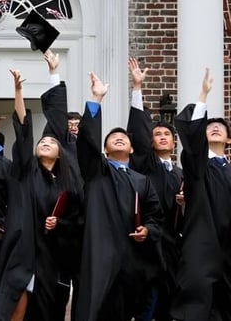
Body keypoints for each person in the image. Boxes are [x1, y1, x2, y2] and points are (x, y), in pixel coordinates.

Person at [0, 64, 83, 321]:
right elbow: (22, 132)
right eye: (43, 140)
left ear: (61, 153)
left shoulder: (66, 182)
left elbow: (76, 220)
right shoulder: (24, 172)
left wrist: (59, 223)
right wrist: (18, 92)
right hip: (23, 248)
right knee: (14, 306)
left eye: (52, 142)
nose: (46, 142)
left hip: (51, 256)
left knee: (47, 309)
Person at [74, 72, 164, 321]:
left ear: (132, 148)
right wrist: (96, 98)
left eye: (123, 137)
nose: (119, 138)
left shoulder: (142, 181)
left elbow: (155, 216)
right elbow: (86, 144)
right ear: (104, 149)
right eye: (113, 138)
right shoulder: (97, 171)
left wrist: (147, 230)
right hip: (100, 256)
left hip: (131, 260)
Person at [124, 58, 183, 321]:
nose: (161, 136)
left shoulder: (182, 175)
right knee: (147, 305)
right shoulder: (146, 165)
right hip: (149, 245)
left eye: (166, 134)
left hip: (175, 249)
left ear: (173, 142)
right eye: (156, 133)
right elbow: (137, 132)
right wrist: (137, 89)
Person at [171, 68, 231, 320]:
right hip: (202, 247)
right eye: (210, 127)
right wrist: (203, 95)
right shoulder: (198, 166)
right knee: (196, 308)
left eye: (220, 127)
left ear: (229, 139)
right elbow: (193, 140)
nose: (215, 128)